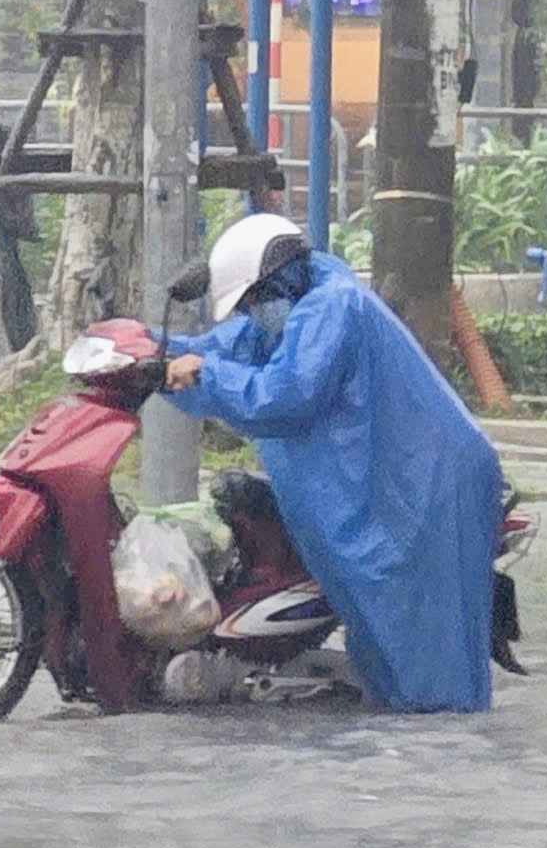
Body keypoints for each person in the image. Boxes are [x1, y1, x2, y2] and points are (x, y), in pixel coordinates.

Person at [161, 214, 505, 713]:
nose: (254, 313)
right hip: (401, 485)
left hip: (432, 488)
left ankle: (443, 760)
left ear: (277, 279)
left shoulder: (331, 308)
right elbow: (228, 345)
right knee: (385, 645)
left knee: (427, 663)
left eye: (255, 300)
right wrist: (146, 351)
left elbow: (284, 396)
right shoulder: (301, 306)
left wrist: (207, 376)